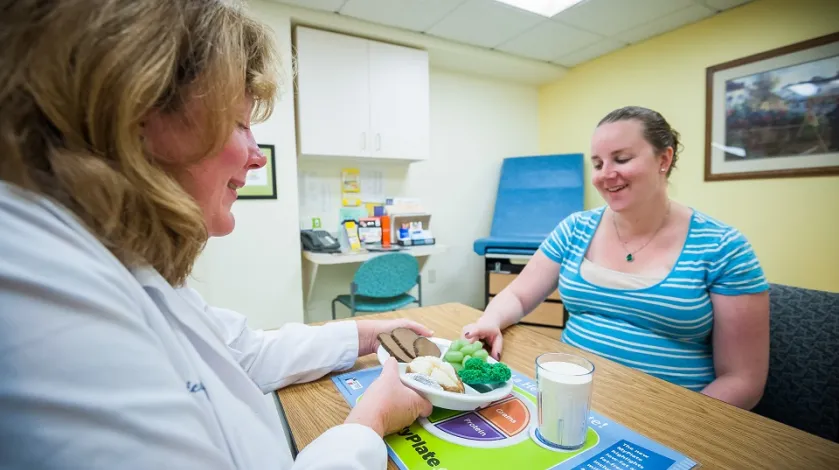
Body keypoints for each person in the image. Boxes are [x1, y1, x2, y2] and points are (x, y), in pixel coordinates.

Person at [0, 1, 431, 469]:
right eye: (240, 124)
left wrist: (370, 334)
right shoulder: (42, 283)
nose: (257, 156)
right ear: (138, 110)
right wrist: (369, 421)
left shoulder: (126, 262)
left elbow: (244, 351)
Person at [463, 106, 771, 410]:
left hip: (671, 416)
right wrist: (490, 320)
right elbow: (518, 294)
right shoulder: (575, 229)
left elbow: (742, 380)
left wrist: (683, 430)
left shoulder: (724, 247)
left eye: (621, 159)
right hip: (571, 400)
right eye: (598, 163)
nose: (606, 175)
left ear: (664, 158)